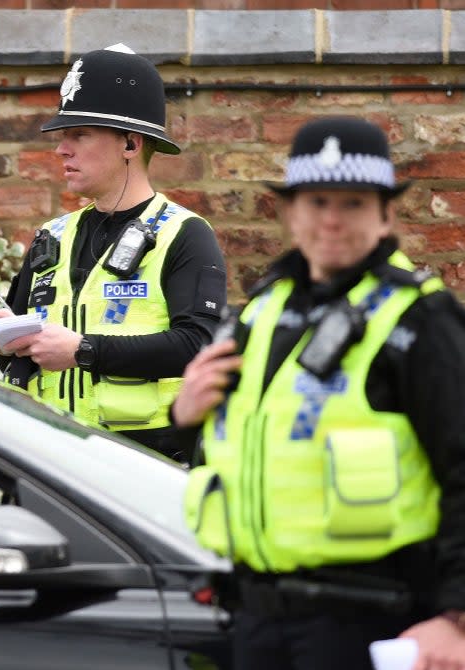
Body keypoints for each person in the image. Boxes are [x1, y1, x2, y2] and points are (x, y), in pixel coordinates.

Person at [172, 116, 465, 669]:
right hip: (261, 618)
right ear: (290, 214)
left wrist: (457, 619)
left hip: (375, 622)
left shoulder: (420, 319)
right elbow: (251, 442)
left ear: (385, 216)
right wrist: (185, 414)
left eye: (353, 203)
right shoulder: (265, 309)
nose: (332, 220)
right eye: (317, 201)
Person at [0, 43, 226, 461]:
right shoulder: (52, 236)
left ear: (131, 145)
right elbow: (17, 349)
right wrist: (4, 340)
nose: (62, 148)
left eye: (79, 135)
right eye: (63, 136)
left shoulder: (184, 234)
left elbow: (199, 346)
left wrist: (82, 350)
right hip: (51, 456)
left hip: (144, 464)